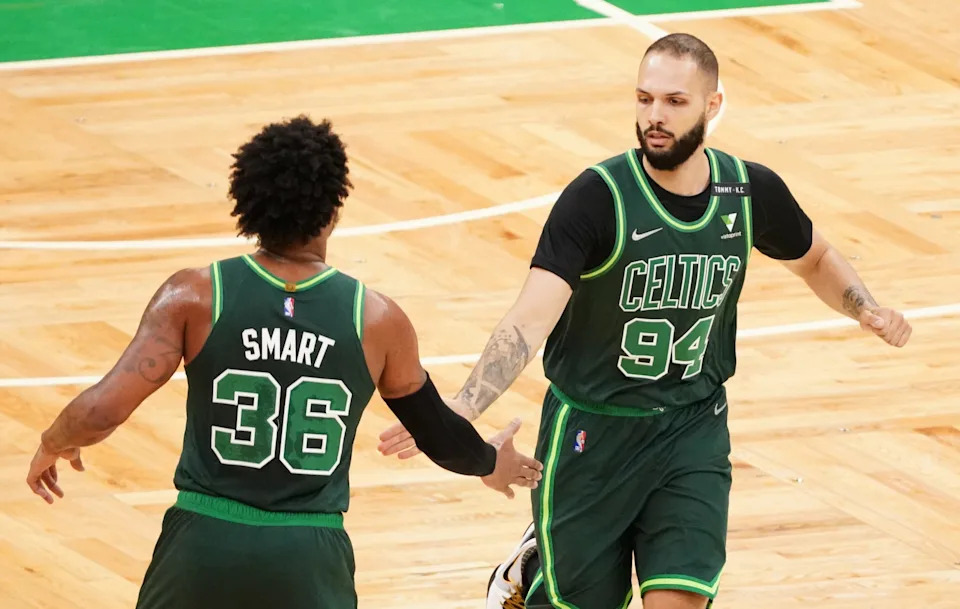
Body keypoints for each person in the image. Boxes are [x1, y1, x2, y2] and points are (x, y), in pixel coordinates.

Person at [377, 33, 912, 609]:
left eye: (675, 102)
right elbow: (528, 321)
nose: (654, 116)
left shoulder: (746, 190)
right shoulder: (597, 198)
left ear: (712, 106)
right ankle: (531, 565)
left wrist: (864, 307)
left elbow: (816, 257)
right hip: (592, 433)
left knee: (678, 599)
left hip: (691, 428)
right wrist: (462, 407)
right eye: (644, 99)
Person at [25, 115, 543, 609]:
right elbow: (440, 436)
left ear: (246, 201)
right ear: (333, 208)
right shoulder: (377, 320)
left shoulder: (195, 296)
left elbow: (101, 413)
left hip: (203, 543)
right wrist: (489, 462)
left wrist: (53, 441)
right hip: (309, 554)